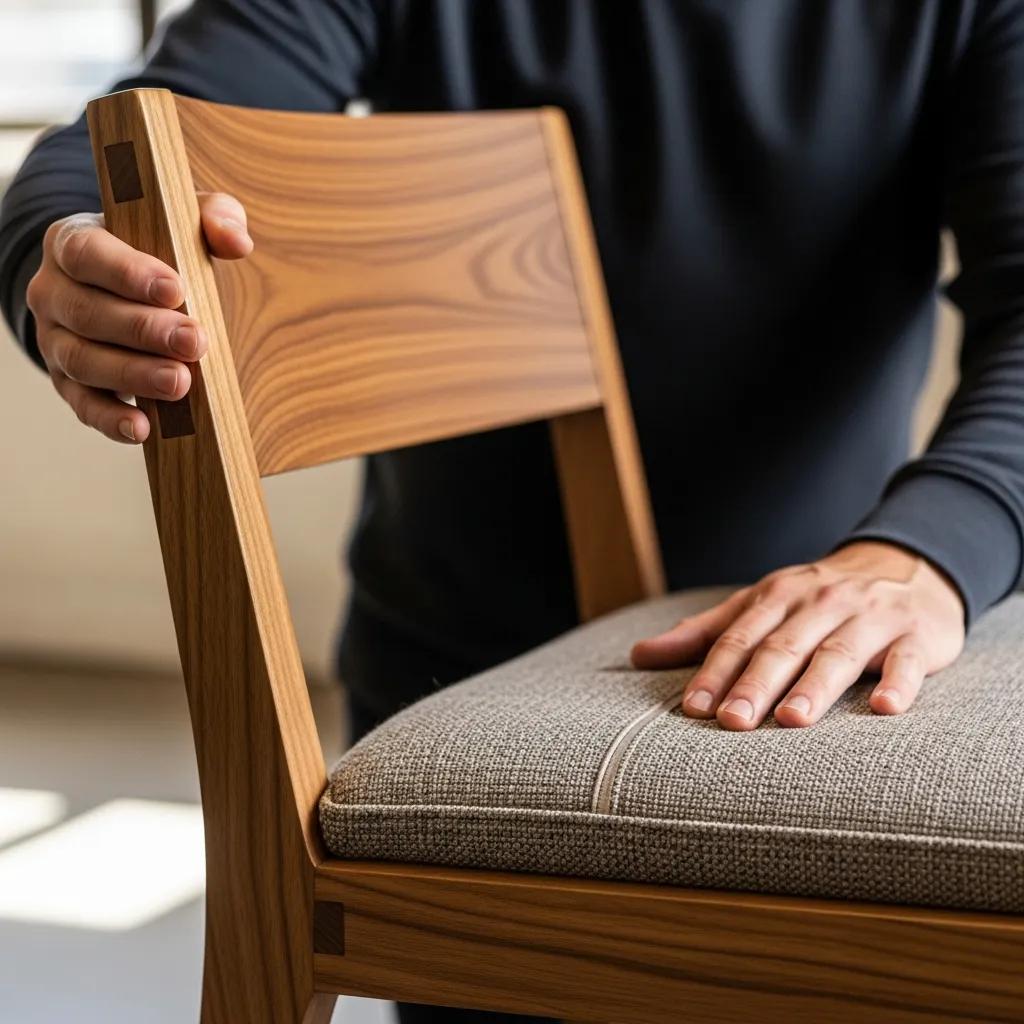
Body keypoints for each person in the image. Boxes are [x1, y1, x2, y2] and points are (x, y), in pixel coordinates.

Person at [2, 2, 1022, 1020]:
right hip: (450, 645)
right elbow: (110, 152)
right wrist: (72, 254)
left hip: (847, 644)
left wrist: (927, 549)